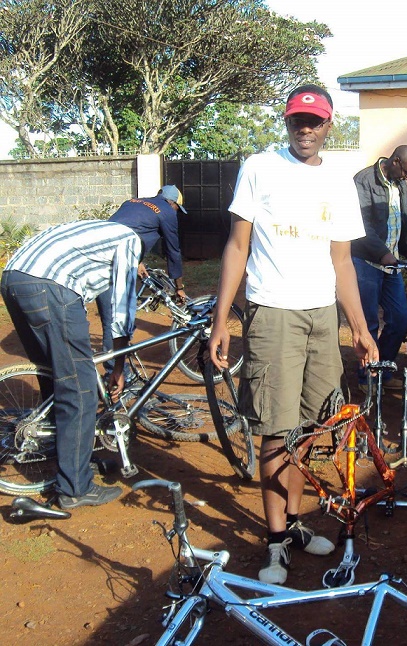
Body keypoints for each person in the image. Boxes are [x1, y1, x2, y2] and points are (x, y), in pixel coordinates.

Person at [208, 84, 378, 586]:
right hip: (273, 314)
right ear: (287, 123)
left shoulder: (340, 182)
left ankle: (296, 524)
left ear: (329, 125)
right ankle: (276, 541)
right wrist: (222, 321)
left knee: (309, 429)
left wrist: (361, 330)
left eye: (315, 121)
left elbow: (342, 263)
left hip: (322, 315)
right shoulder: (260, 168)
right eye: (298, 121)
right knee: (275, 429)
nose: (306, 129)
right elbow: (237, 248)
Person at [1, 220, 143, 508]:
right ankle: (75, 488)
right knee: (80, 389)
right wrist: (119, 367)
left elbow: (105, 305)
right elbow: (121, 306)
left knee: (55, 377)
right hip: (50, 286)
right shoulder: (131, 240)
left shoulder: (99, 232)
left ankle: (72, 458)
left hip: (13, 277)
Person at [351, 145, 407, 392]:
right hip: (366, 262)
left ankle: (381, 367)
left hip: (392, 265)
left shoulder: (400, 184)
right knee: (369, 323)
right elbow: (360, 226)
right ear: (396, 161)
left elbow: (405, 220)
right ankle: (366, 377)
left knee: (400, 318)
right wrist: (383, 254)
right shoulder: (364, 180)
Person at [96, 184, 187, 360]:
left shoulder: (131, 202)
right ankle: (119, 376)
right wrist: (179, 287)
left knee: (109, 319)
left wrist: (137, 261)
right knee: (121, 319)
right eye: (177, 208)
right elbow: (173, 251)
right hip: (118, 262)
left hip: (99, 255)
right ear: (172, 203)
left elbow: (125, 228)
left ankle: (112, 371)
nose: (176, 213)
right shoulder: (167, 212)